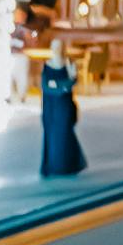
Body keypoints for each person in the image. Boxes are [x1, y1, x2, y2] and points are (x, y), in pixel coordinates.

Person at [39, 50, 87, 179]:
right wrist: (64, 86)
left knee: (65, 135)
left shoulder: (68, 63)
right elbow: (47, 86)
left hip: (64, 107)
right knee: (54, 137)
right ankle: (57, 166)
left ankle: (67, 165)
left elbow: (71, 81)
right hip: (51, 109)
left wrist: (60, 85)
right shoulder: (47, 66)